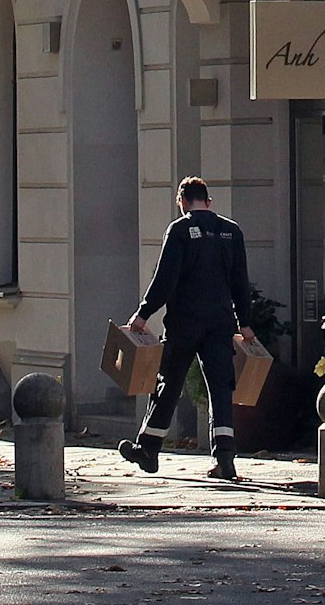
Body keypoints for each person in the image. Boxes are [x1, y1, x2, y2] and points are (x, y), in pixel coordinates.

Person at [118, 177, 255, 483]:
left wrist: (143, 314)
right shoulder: (231, 232)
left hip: (184, 322)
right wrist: (244, 323)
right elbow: (240, 282)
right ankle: (225, 458)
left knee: (169, 381)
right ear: (209, 201)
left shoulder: (179, 230)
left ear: (181, 202)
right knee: (221, 387)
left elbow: (164, 278)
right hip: (220, 323)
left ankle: (149, 448)